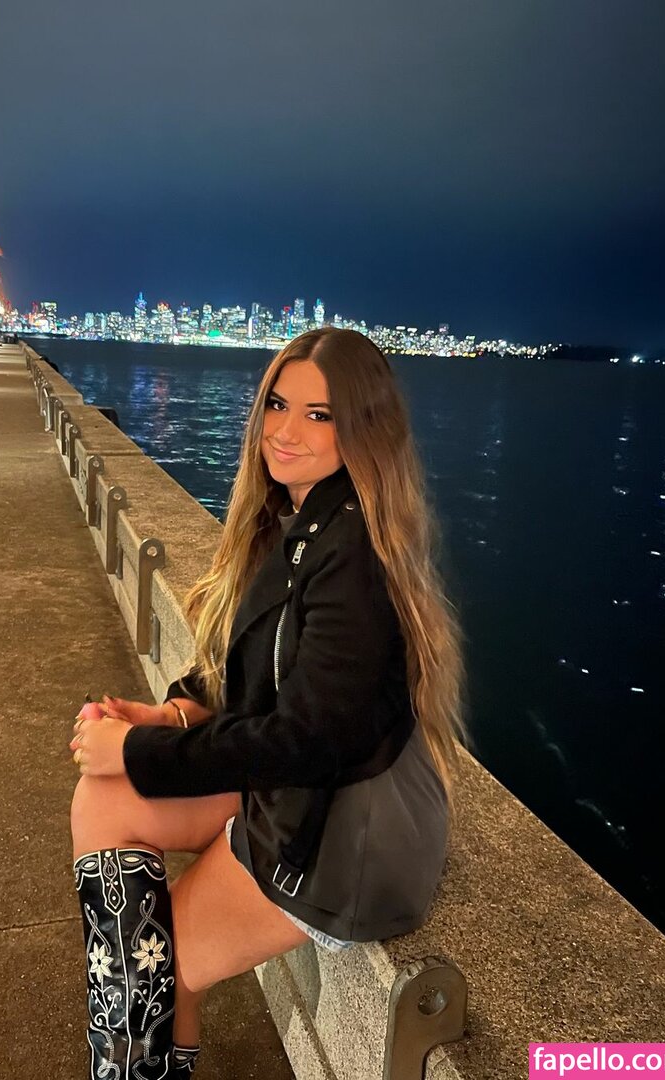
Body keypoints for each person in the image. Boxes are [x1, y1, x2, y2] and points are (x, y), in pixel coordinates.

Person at [68, 327, 467, 1078]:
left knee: (161, 964)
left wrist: (140, 750)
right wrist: (170, 716)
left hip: (341, 832)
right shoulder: (297, 518)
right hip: (296, 793)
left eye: (320, 415)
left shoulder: (355, 554)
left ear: (364, 430)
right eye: (278, 405)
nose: (284, 431)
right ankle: (124, 1041)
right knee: (103, 801)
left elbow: (310, 739)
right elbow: (248, 666)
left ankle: (133, 1055)